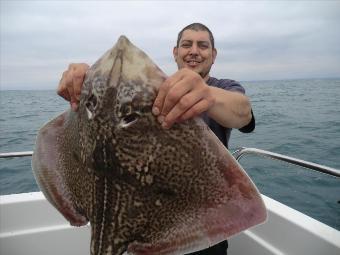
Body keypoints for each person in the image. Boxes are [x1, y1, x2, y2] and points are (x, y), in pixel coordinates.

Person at [57, 23, 255, 255]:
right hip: (133, 216)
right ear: (175, 52)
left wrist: (207, 94)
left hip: (202, 226)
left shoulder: (223, 88)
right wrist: (85, 80)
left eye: (203, 45)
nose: (194, 50)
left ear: (213, 55)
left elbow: (242, 113)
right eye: (186, 44)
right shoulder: (150, 90)